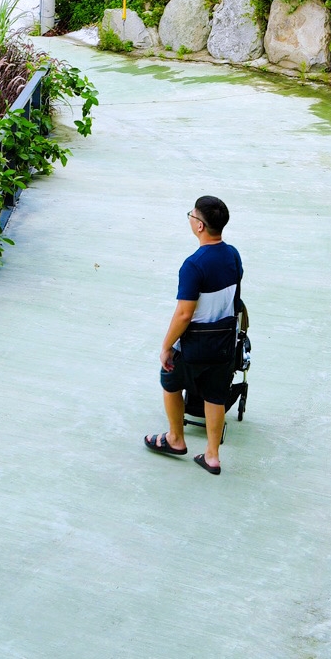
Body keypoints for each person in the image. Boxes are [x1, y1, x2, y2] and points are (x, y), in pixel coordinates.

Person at [144, 194, 242, 476]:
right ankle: (212, 456)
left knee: (170, 381)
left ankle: (175, 439)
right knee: (215, 395)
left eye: (192, 214)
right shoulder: (232, 254)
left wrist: (166, 346)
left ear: (199, 226)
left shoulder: (194, 264)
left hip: (195, 344)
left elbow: (184, 314)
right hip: (224, 341)